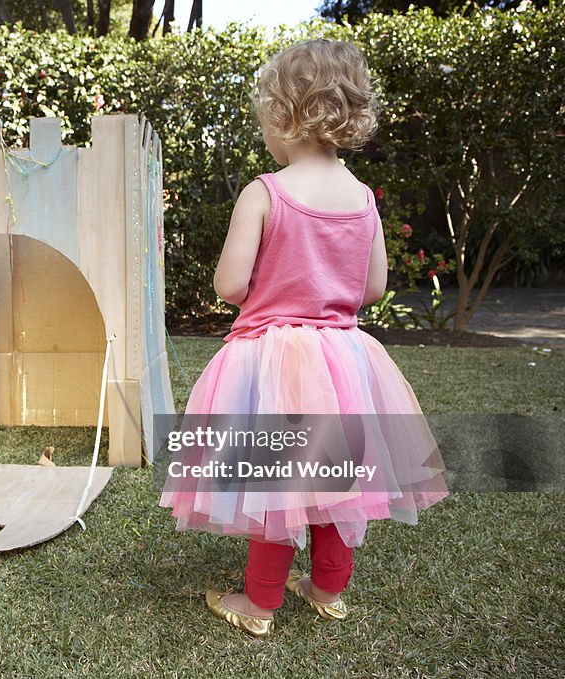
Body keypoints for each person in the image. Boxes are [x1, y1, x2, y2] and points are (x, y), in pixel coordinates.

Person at [158, 39, 448, 638]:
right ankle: (327, 590)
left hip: (272, 360)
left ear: (283, 114)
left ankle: (259, 605)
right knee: (335, 478)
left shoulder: (265, 192)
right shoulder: (363, 199)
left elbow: (231, 284)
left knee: (276, 478)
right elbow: (371, 289)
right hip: (344, 359)